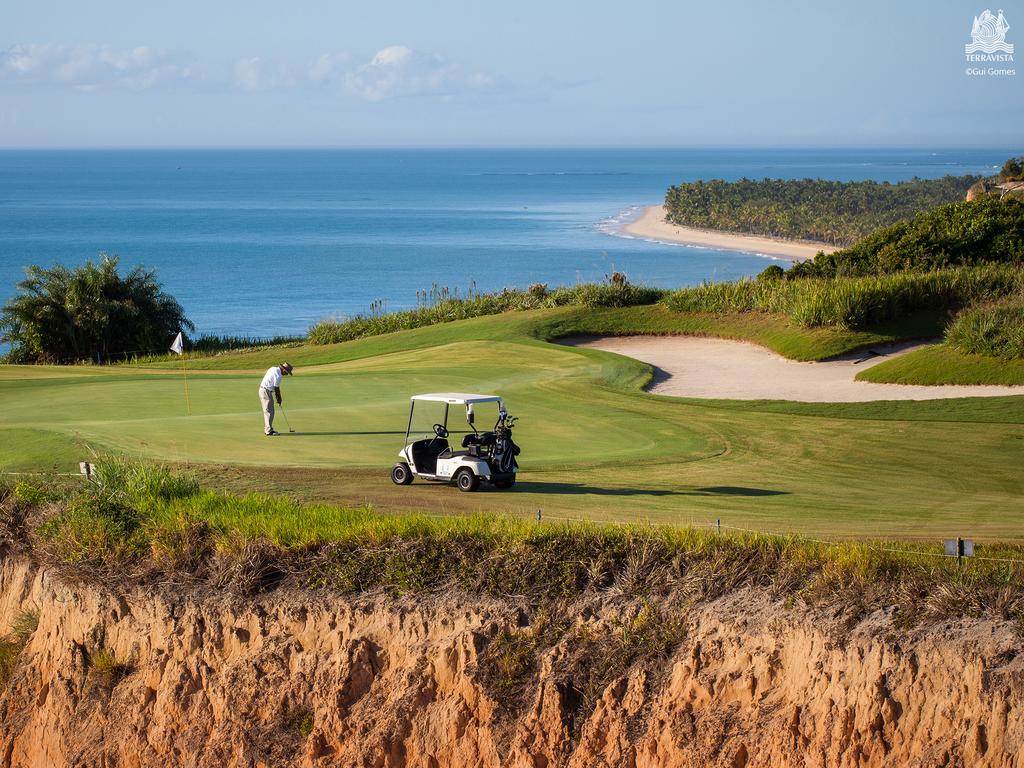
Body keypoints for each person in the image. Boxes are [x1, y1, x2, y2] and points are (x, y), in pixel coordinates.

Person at [259, 362, 293, 436]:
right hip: (266, 391)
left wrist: (278, 398)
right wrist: (279, 399)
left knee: (268, 411)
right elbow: (276, 389)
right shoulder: (278, 375)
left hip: (263, 390)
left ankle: (268, 429)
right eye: (287, 372)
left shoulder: (273, 368)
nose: (286, 374)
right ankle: (268, 431)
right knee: (269, 411)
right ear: (284, 370)